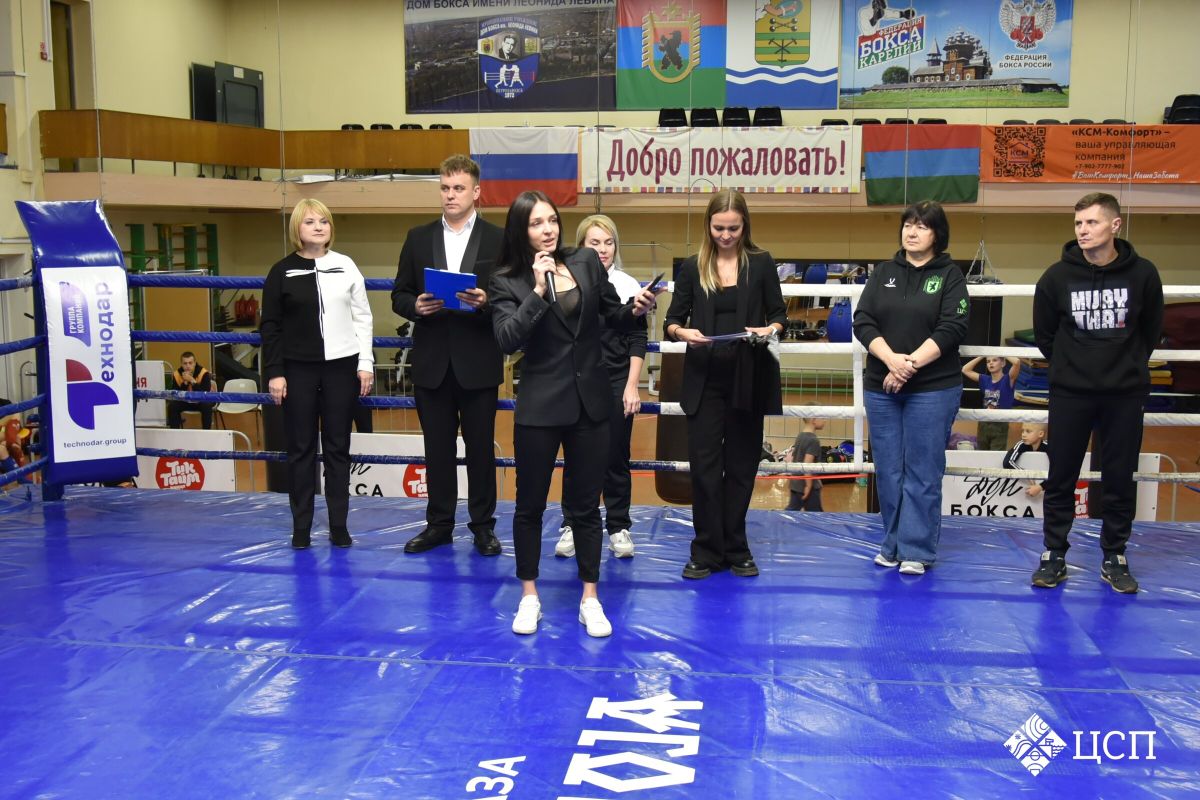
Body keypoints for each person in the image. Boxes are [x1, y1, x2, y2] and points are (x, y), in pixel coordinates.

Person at [490, 191, 658, 637]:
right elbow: (507, 339)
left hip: (590, 403)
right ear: (520, 230)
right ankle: (529, 596)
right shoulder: (506, 280)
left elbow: (612, 316)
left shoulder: (584, 261)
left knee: (585, 507)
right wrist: (538, 291)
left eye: (551, 219)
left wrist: (635, 308)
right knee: (529, 505)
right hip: (541, 405)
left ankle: (590, 598)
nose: (547, 229)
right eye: (536, 223)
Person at [1030, 192, 1164, 593]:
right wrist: (1072, 367)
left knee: (1119, 477)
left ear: (1115, 225)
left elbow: (1151, 331)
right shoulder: (1056, 277)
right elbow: (1044, 335)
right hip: (1071, 392)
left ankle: (1115, 554)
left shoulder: (1143, 274)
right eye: (1078, 223)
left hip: (1124, 393)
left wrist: (1125, 365)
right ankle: (1054, 553)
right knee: (1062, 475)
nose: (1083, 230)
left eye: (1092, 222)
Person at [663, 189, 787, 580]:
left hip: (747, 377)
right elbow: (671, 320)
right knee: (704, 468)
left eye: (733, 228)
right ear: (708, 225)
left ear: (745, 225)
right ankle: (705, 549)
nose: (726, 235)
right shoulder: (692, 267)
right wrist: (684, 333)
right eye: (719, 228)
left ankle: (736, 547)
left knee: (741, 467)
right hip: (704, 379)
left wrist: (769, 329)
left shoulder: (762, 263)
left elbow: (780, 316)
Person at [392, 155, 504, 557]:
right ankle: (439, 525)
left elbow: (511, 299)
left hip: (478, 361)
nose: (450, 195)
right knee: (436, 451)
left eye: (458, 188)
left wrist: (487, 302)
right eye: (445, 187)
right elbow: (399, 294)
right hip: (432, 362)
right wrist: (415, 307)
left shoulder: (498, 239)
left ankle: (483, 528)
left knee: (480, 451)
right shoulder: (417, 237)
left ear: (476, 192)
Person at [853, 200, 969, 576]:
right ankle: (892, 543)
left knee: (922, 470)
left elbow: (952, 327)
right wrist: (892, 360)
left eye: (922, 226)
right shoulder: (884, 272)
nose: (912, 231)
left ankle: (916, 549)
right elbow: (863, 320)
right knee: (888, 471)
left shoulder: (950, 275)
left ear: (937, 234)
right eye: (908, 224)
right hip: (882, 386)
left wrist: (908, 367)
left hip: (932, 388)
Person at [261, 199, 374, 549]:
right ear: (297, 227)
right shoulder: (281, 271)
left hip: (342, 368)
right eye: (310, 221)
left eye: (323, 221)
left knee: (339, 447)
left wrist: (365, 362)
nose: (318, 227)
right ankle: (301, 527)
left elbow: (363, 317)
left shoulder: (346, 265)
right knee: (300, 449)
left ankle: (339, 525)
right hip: (297, 370)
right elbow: (270, 326)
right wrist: (275, 372)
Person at [553, 215, 647, 561]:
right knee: (576, 455)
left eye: (609, 242)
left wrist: (632, 386)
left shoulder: (626, 284)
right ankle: (572, 523)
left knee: (615, 455)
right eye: (595, 243)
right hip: (577, 379)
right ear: (581, 246)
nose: (603, 249)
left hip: (616, 380)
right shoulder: (565, 280)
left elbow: (637, 337)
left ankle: (618, 525)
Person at [962, 356, 1021, 450]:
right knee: (982, 454)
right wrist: (982, 355)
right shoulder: (985, 379)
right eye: (988, 361)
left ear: (1003, 363)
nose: (991, 363)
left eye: (994, 360)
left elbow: (1017, 362)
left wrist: (1002, 352)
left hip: (1000, 423)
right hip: (984, 422)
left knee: (996, 455)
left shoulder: (1008, 379)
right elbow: (965, 369)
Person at [785, 406, 825, 511]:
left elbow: (796, 457)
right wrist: (808, 485)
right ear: (814, 420)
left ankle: (778, 519)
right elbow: (807, 464)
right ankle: (776, 519)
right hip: (807, 486)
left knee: (792, 510)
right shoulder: (813, 440)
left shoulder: (800, 435)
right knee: (816, 515)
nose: (825, 420)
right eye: (822, 417)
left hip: (796, 483)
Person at [166, 351, 214, 429]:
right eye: (185, 363)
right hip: (185, 401)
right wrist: (185, 383)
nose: (188, 366)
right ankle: (175, 432)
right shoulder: (177, 374)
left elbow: (205, 394)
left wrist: (192, 380)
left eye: (190, 363)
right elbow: (176, 395)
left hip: (200, 401)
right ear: (181, 364)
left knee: (207, 405)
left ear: (194, 363)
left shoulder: (204, 373)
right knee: (172, 406)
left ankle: (206, 432)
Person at [1003, 422, 1048, 498]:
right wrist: (1026, 474)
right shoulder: (1021, 444)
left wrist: (1041, 486)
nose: (1023, 434)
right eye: (1022, 431)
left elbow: (1059, 470)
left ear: (1040, 434)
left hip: (1048, 495)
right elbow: (1007, 463)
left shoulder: (1049, 446)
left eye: (1028, 431)